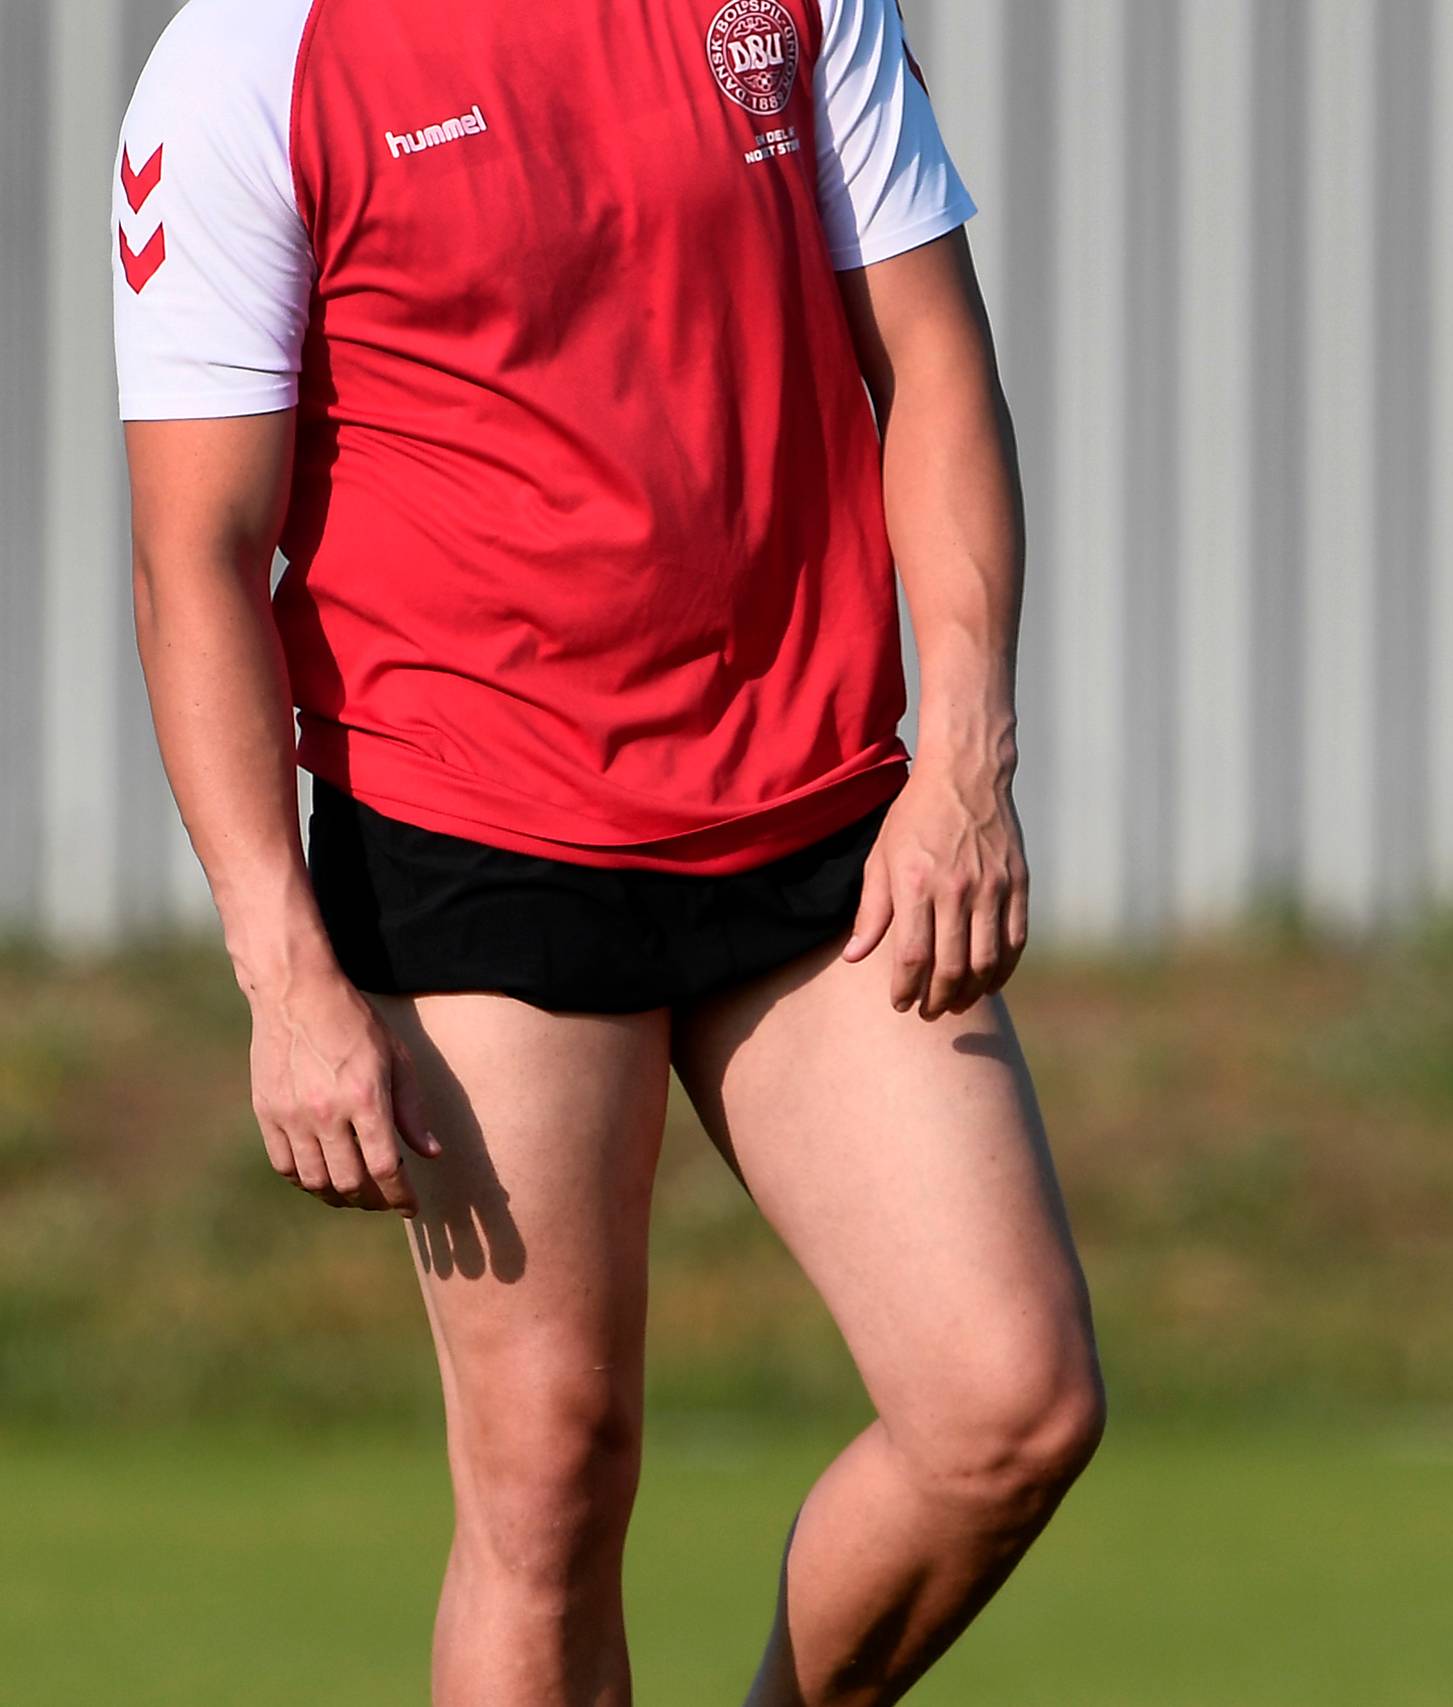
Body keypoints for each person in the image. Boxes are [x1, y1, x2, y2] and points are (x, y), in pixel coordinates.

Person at [113, 0, 1102, 1701]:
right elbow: (195, 551)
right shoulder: (245, 59)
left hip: (817, 829)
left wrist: (967, 758)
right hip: (473, 846)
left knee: (1007, 1408)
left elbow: (934, 367)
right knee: (551, 1483)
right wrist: (282, 965)